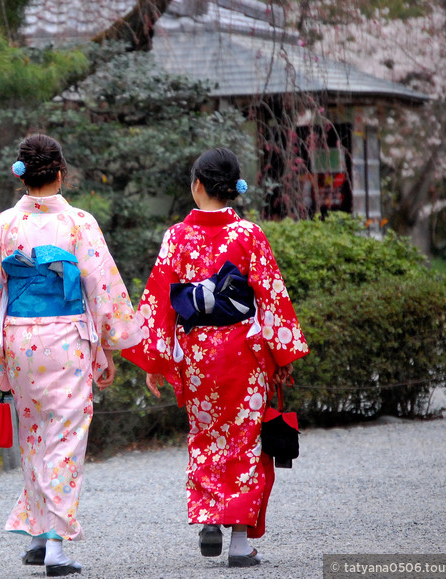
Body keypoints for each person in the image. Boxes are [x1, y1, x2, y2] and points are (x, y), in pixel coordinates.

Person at [121, 148, 308, 568]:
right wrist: (283, 353)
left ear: (197, 185)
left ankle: (209, 517)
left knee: (206, 435)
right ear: (233, 188)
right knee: (244, 440)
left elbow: (159, 299)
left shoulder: (176, 236)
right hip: (244, 350)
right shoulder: (249, 235)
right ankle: (240, 543)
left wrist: (156, 360)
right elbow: (272, 297)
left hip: (197, 353)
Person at [0, 134, 143, 576]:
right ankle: (56, 547)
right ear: (60, 174)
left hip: (19, 339)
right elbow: (102, 287)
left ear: (21, 175)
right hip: (66, 338)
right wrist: (110, 343)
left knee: (34, 435)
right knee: (64, 438)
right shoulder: (79, 223)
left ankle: (37, 532)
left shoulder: (3, 226)